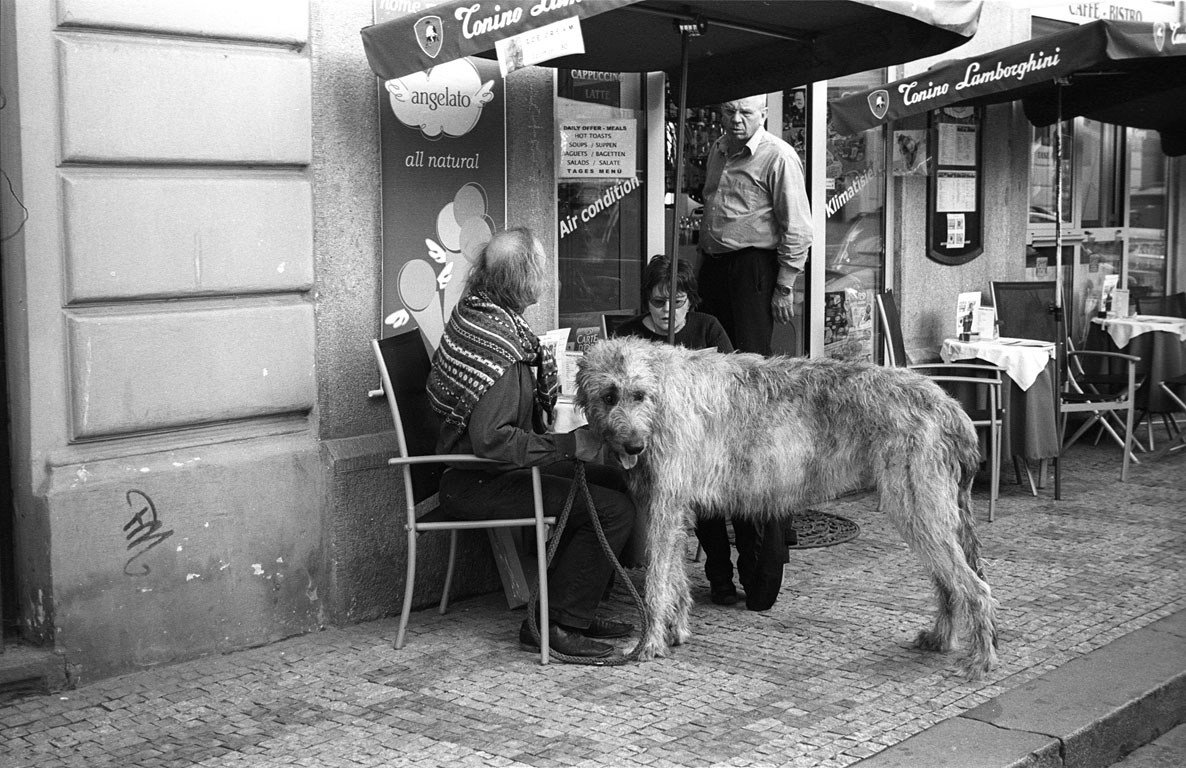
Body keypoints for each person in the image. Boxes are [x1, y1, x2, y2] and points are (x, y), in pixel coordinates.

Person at [427, 227, 637, 659]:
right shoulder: (499, 349)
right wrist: (565, 447)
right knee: (613, 510)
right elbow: (492, 441)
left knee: (614, 483)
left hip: (486, 471)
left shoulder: (482, 315)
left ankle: (571, 601)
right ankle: (555, 624)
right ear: (524, 280)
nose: (549, 278)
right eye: (542, 269)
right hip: (476, 481)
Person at [696, 93, 813, 611]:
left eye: (745, 112)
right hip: (716, 267)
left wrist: (784, 284)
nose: (736, 119)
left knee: (749, 379)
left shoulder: (779, 156)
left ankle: (765, 513)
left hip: (754, 271)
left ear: (763, 114)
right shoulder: (719, 152)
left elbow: (799, 226)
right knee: (713, 366)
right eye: (727, 112)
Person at [612, 255, 776, 610]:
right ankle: (718, 576)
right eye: (658, 302)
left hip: (712, 437)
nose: (667, 311)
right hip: (660, 449)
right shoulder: (631, 336)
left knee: (732, 500)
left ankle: (749, 570)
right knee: (693, 504)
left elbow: (735, 382)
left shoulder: (707, 327)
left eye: (678, 301)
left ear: (691, 299)